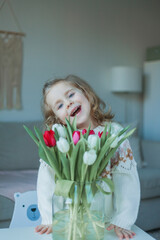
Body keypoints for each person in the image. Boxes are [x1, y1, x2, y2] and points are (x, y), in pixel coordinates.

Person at [35, 75, 140, 240]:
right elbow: (46, 182)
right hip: (69, 223)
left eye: (70, 95)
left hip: (104, 223)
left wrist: (123, 219)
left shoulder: (113, 133)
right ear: (57, 118)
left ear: (87, 95)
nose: (68, 103)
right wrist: (49, 218)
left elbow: (126, 180)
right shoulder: (59, 139)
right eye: (60, 105)